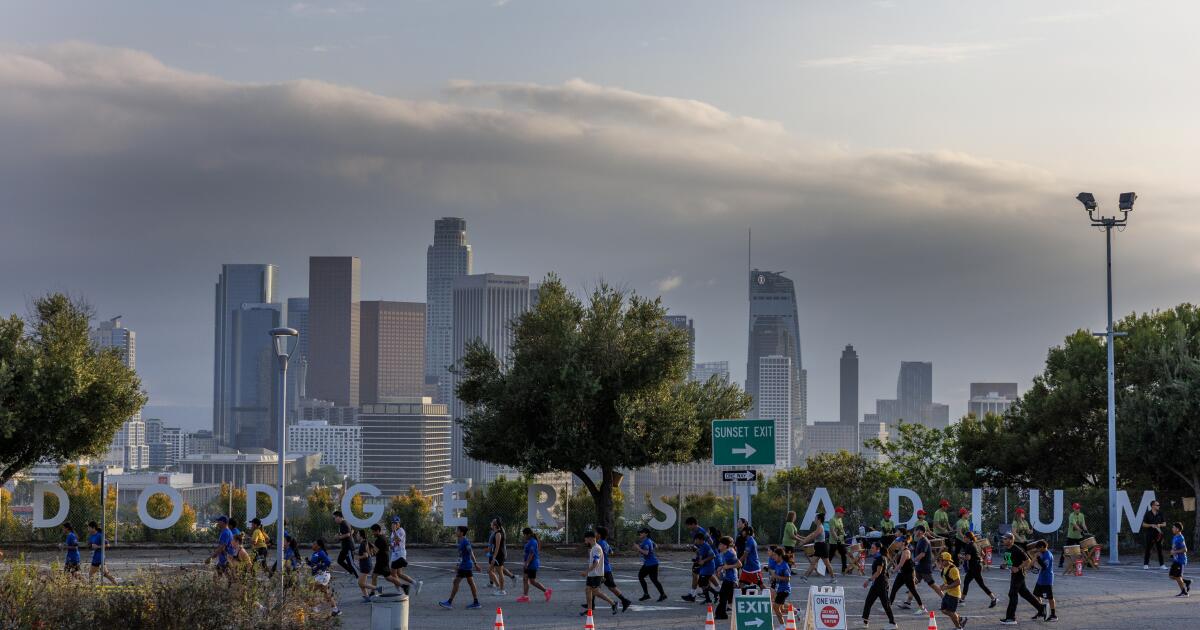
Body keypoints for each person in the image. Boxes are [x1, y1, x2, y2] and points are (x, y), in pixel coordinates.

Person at [999, 532, 1046, 624]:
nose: (1003, 540)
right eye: (1003, 539)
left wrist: (1018, 568)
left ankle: (1011, 618)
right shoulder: (1007, 550)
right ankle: (1041, 608)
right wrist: (1004, 565)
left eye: (1005, 539)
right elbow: (1008, 561)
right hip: (1014, 574)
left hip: (1019, 574)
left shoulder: (1017, 549)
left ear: (1011, 540)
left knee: (1012, 594)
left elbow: (1027, 561)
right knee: (1025, 593)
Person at [439, 526, 482, 610]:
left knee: (456, 582)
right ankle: (476, 602)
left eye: (457, 531)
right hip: (465, 565)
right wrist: (458, 564)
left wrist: (475, 564)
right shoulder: (461, 541)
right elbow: (461, 555)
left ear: (461, 533)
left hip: (465, 566)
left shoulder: (465, 542)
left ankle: (449, 602)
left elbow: (471, 553)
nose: (456, 532)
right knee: (470, 583)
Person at [580, 530, 618, 615]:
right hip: (592, 574)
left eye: (585, 539)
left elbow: (596, 562)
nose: (584, 541)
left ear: (590, 538)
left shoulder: (596, 548)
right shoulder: (593, 548)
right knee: (588, 590)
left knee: (595, 592)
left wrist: (586, 572)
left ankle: (613, 603)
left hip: (596, 574)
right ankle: (589, 610)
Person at [862, 541, 897, 629]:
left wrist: (868, 580)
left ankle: (893, 623)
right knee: (868, 602)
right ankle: (865, 622)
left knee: (886, 605)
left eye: (873, 548)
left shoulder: (880, 558)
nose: (871, 549)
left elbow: (878, 572)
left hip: (882, 585)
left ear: (878, 549)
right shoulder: (877, 557)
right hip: (876, 585)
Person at [958, 533, 998, 608]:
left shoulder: (969, 545)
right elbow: (983, 554)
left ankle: (993, 598)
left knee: (976, 583)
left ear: (969, 538)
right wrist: (979, 559)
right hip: (977, 566)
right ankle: (962, 600)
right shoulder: (975, 543)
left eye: (965, 537)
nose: (963, 538)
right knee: (969, 582)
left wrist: (961, 557)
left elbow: (968, 558)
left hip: (974, 567)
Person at [682, 517, 717, 602]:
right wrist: (693, 547)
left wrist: (705, 552)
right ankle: (716, 591)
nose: (688, 527)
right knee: (707, 575)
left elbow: (711, 542)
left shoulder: (702, 531)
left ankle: (693, 595)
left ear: (693, 524)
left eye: (689, 525)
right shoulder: (693, 531)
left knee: (699, 574)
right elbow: (696, 543)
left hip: (706, 557)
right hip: (700, 556)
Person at [889, 532, 924, 615]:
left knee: (913, 591)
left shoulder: (906, 552)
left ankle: (922, 608)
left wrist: (892, 572)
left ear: (903, 543)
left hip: (908, 575)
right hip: (902, 574)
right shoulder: (900, 551)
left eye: (898, 542)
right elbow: (898, 563)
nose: (896, 543)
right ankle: (888, 606)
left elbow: (900, 565)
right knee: (894, 589)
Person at [930, 551, 967, 630]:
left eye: (942, 560)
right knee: (944, 610)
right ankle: (960, 619)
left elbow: (958, 582)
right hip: (948, 593)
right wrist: (942, 585)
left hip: (954, 594)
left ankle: (958, 627)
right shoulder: (945, 568)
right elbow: (948, 580)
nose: (940, 561)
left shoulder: (953, 569)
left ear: (947, 560)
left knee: (951, 612)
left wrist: (947, 587)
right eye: (940, 560)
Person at [799, 512, 837, 583]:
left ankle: (833, 578)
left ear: (819, 520)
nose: (814, 520)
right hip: (819, 547)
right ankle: (805, 577)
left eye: (815, 518)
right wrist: (803, 540)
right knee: (814, 563)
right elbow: (811, 535)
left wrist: (803, 542)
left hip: (822, 547)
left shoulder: (820, 527)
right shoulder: (819, 527)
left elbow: (813, 536)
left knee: (826, 564)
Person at [307, 538, 341, 617]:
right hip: (320, 576)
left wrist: (319, 566)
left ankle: (315, 609)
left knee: (311, 590)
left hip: (322, 575)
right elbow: (314, 565)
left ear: (318, 546)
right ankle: (336, 610)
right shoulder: (315, 553)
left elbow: (328, 562)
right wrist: (309, 563)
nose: (312, 545)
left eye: (314, 544)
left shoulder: (321, 552)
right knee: (326, 593)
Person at [516, 527, 551, 603]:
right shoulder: (530, 541)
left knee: (532, 581)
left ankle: (546, 591)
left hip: (532, 564)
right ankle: (525, 596)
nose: (524, 536)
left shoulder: (533, 542)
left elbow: (531, 554)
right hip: (529, 563)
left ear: (528, 534)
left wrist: (527, 563)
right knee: (525, 579)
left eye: (524, 535)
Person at [388, 516, 420, 596]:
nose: (394, 525)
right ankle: (415, 583)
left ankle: (399, 591)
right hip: (395, 553)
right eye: (393, 523)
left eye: (396, 523)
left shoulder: (401, 531)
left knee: (393, 573)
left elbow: (398, 540)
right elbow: (392, 544)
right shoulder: (392, 533)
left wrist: (394, 531)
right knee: (399, 573)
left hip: (400, 553)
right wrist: (390, 545)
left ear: (399, 524)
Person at [370, 523, 404, 598]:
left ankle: (403, 586)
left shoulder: (379, 540)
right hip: (382, 560)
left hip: (382, 561)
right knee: (374, 576)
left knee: (388, 577)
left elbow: (376, 551)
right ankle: (372, 592)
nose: (372, 533)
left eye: (373, 531)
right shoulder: (383, 537)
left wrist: (371, 546)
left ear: (377, 531)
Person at [713, 536, 741, 621]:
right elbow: (724, 564)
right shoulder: (722, 553)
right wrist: (720, 568)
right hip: (726, 578)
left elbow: (739, 564)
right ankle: (721, 614)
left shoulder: (730, 554)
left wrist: (727, 567)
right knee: (723, 595)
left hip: (731, 578)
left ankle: (721, 614)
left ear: (725, 546)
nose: (719, 545)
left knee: (723, 595)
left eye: (721, 544)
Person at [635, 527, 666, 601]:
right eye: (640, 532)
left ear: (646, 534)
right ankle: (663, 594)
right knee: (654, 580)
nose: (640, 534)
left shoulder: (646, 542)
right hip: (654, 563)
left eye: (642, 532)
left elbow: (646, 552)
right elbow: (656, 546)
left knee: (640, 576)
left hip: (649, 564)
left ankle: (646, 594)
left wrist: (638, 548)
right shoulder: (649, 540)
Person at [1031, 540, 1059, 622]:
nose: (1037, 550)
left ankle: (1053, 615)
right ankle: (1040, 611)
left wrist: (1038, 558)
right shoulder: (1042, 553)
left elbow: (1044, 566)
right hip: (1041, 579)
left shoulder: (1048, 555)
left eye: (1038, 548)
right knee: (1036, 594)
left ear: (1043, 547)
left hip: (1047, 579)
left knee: (1050, 597)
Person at [205, 515, 235, 585]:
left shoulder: (225, 533)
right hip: (225, 558)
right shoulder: (226, 531)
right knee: (220, 576)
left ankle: (231, 589)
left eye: (219, 521)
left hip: (225, 559)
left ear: (223, 522)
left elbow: (221, 548)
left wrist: (211, 558)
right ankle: (224, 589)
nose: (217, 523)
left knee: (224, 577)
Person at [692, 529, 719, 604]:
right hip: (704, 567)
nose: (695, 541)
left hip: (708, 567)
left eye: (696, 540)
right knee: (702, 583)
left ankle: (715, 593)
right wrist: (696, 560)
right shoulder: (701, 546)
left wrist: (704, 561)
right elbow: (702, 556)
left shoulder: (706, 546)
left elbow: (713, 555)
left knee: (702, 582)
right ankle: (708, 599)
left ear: (700, 540)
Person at [769, 547, 793, 628]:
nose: (773, 557)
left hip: (784, 590)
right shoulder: (777, 565)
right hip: (779, 589)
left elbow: (788, 579)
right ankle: (797, 612)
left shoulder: (785, 566)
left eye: (775, 555)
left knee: (775, 607)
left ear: (780, 556)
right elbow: (776, 575)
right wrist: (773, 578)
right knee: (781, 609)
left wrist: (777, 576)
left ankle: (782, 626)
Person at [333, 510, 359, 579]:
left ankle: (359, 576)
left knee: (351, 563)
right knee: (340, 560)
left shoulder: (344, 523)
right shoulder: (342, 523)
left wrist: (339, 537)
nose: (334, 519)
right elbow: (352, 531)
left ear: (339, 517)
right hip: (345, 547)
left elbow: (348, 534)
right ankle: (352, 572)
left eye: (335, 518)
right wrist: (339, 535)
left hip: (348, 547)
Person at [1059, 503, 1087, 568]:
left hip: (1079, 537)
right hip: (1071, 536)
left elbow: (1083, 524)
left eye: (1079, 508)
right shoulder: (1071, 516)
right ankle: (1061, 563)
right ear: (1073, 509)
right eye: (1076, 508)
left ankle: (1088, 562)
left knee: (1085, 549)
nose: (1078, 509)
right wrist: (1081, 531)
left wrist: (1086, 530)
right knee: (1065, 549)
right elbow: (1075, 525)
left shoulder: (1081, 515)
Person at [1169, 522, 1191, 597]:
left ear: (1177, 529)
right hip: (1176, 560)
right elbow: (1174, 547)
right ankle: (1187, 582)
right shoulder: (1175, 537)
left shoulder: (1181, 538)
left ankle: (1184, 593)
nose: (1172, 528)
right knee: (1171, 576)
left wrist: (1175, 552)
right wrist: (1172, 553)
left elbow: (1185, 549)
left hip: (1181, 560)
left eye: (1173, 527)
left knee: (1178, 577)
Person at [738, 524, 763, 593]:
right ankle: (740, 598)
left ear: (747, 532)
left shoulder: (750, 541)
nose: (742, 532)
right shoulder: (748, 540)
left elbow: (745, 555)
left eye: (743, 531)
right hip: (747, 568)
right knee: (740, 586)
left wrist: (737, 563)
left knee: (761, 586)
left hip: (754, 568)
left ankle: (771, 597)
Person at [1142, 500, 1167, 569]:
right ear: (1153, 506)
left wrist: (1159, 525)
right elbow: (1144, 524)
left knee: (1160, 550)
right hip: (1150, 534)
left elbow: (1165, 524)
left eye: (1159, 505)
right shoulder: (1148, 514)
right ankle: (1146, 564)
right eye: (1157, 505)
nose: (1159, 506)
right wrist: (1151, 525)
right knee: (1148, 549)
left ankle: (1162, 565)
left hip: (1158, 534)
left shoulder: (1160, 513)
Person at [353, 528, 374, 601]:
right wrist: (356, 553)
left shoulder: (363, 544)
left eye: (357, 534)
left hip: (365, 565)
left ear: (361, 536)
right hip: (366, 565)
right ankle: (367, 597)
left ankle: (376, 588)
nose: (356, 536)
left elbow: (366, 555)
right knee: (361, 583)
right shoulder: (365, 542)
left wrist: (358, 557)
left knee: (360, 583)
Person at [830, 507, 849, 574]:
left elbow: (841, 529)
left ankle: (844, 569)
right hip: (834, 541)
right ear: (837, 512)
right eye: (841, 513)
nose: (843, 514)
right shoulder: (832, 520)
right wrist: (837, 539)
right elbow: (832, 531)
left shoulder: (840, 519)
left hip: (841, 540)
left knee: (844, 554)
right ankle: (827, 568)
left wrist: (844, 534)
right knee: (831, 555)